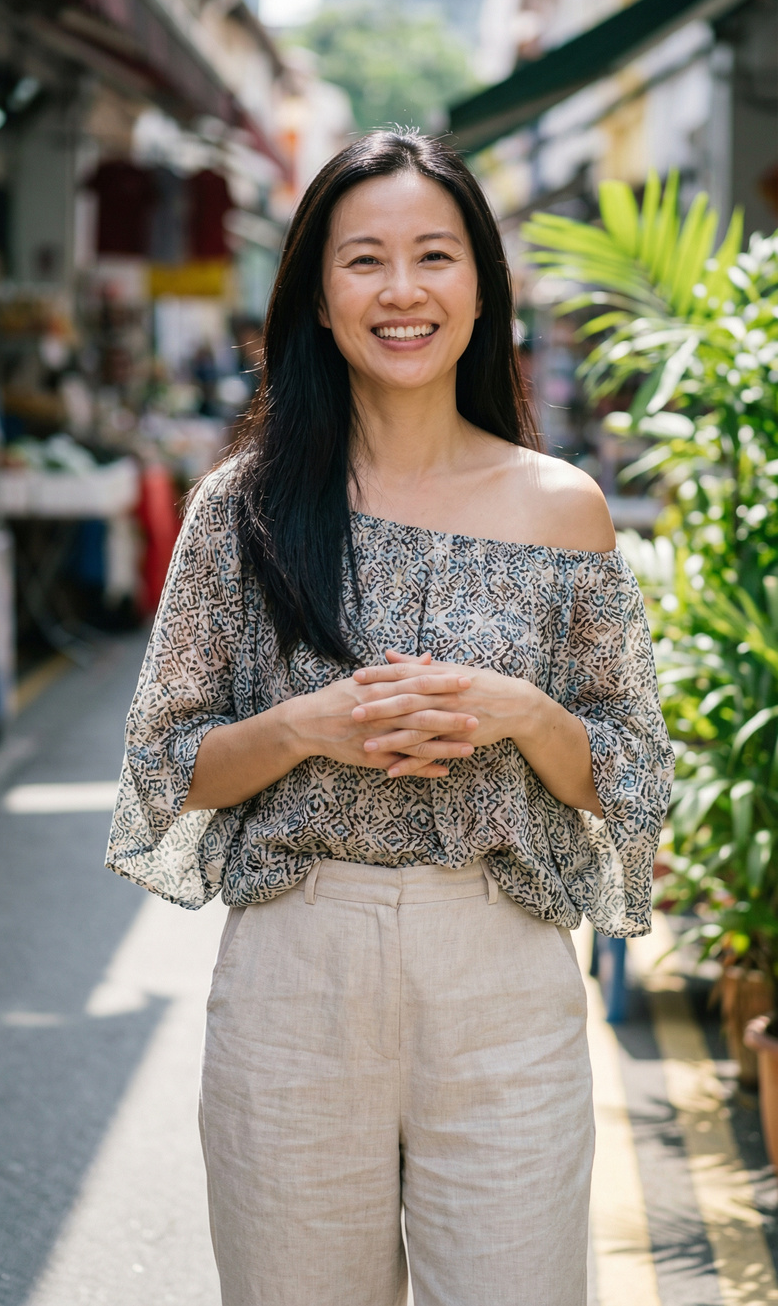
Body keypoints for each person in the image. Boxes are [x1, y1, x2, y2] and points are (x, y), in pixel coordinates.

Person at [106, 130, 674, 1306]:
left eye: (434, 255)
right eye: (364, 260)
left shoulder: (562, 506)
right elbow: (166, 762)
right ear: (317, 293)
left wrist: (519, 712)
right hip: (295, 973)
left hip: (500, 977)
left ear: (480, 286)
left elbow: (628, 770)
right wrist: (306, 726)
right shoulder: (244, 508)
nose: (402, 290)